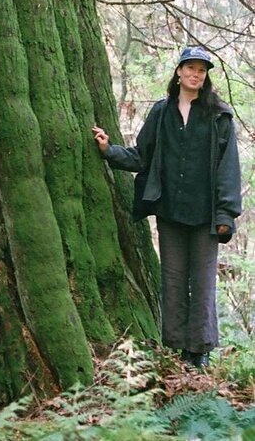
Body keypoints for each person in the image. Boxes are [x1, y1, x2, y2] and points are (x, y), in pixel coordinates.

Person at [92, 46, 242, 369]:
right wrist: (108, 150)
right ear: (179, 72)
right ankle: (175, 347)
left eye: (201, 70)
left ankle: (198, 352)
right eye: (190, 68)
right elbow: (141, 155)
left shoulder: (219, 115)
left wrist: (226, 215)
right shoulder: (161, 113)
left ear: (205, 77)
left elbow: (229, 168)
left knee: (202, 283)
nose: (195, 74)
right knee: (172, 280)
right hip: (170, 212)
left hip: (206, 216)